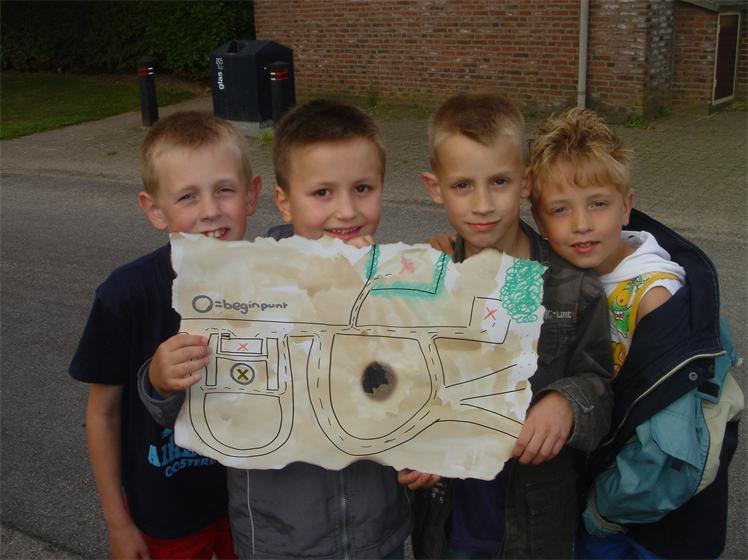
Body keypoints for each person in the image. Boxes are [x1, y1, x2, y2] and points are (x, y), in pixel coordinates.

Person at [138, 99, 412, 559]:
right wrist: (159, 381)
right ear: (284, 201)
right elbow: (192, 406)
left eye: (363, 188)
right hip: (280, 539)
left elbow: (414, 384)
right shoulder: (240, 286)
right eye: (322, 192)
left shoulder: (396, 281)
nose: (346, 210)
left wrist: (421, 447)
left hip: (376, 532)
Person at [529, 107, 744, 559]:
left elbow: (667, 452)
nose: (582, 223)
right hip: (612, 484)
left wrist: (598, 513)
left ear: (627, 206)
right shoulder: (570, 274)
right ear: (540, 220)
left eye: (598, 204)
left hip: (653, 518)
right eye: (561, 209)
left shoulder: (655, 299)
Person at [407, 93, 614, 559]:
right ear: (434, 188)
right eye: (463, 185)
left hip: (536, 526)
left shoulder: (570, 287)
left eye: (499, 181)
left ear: (527, 181)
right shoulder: (426, 281)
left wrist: (568, 401)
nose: (483, 204)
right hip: (449, 524)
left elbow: (601, 384)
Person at [69, 110, 262, 559]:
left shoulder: (277, 284)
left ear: (251, 194)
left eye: (225, 190)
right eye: (187, 196)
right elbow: (102, 414)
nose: (210, 210)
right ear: (155, 209)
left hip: (255, 504)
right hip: (167, 505)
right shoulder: (125, 295)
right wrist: (117, 522)